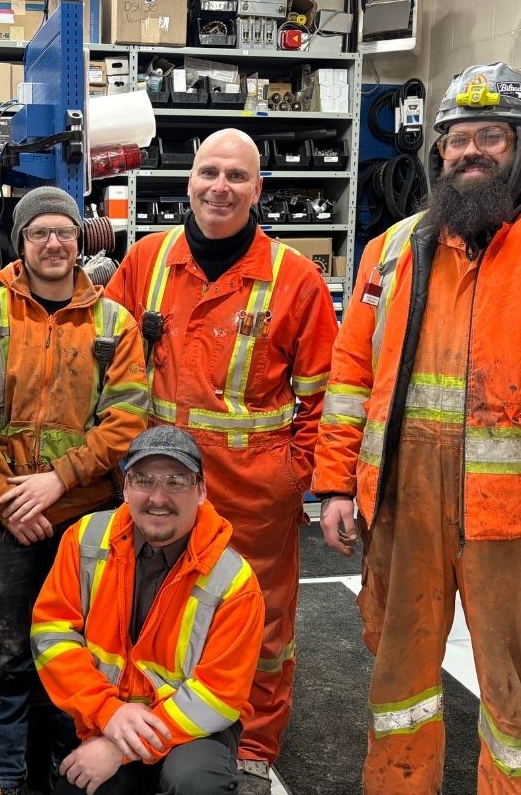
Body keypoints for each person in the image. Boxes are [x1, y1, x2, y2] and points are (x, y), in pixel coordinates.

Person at [312, 62, 521, 794]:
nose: (471, 152)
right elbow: (351, 379)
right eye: (457, 139)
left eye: (492, 136)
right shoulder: (392, 251)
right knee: (398, 687)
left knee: (519, 701)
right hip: (404, 510)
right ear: (439, 152)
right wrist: (334, 485)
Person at [104, 128, 338, 792]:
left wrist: (296, 476)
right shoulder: (146, 261)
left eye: (237, 176)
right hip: (158, 483)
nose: (220, 187)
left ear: (258, 189)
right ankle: (158, 721)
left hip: (253, 489)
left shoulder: (294, 278)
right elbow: (107, 359)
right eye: (209, 172)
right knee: (154, 604)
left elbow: (326, 394)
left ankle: (253, 745)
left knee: (260, 620)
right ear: (189, 181)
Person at [0, 186, 149, 795]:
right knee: (8, 653)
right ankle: (3, 779)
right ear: (22, 243)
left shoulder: (114, 321)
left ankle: (70, 775)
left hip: (85, 515)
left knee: (82, 653)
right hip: (7, 517)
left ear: (79, 240)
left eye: (64, 231)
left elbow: (128, 417)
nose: (53, 243)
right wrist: (9, 500)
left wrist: (59, 480)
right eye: (39, 232)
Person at [30, 425, 265, 795]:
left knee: (195, 783)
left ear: (201, 491)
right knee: (78, 788)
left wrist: (119, 748)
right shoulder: (84, 539)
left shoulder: (234, 581)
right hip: (108, 714)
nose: (158, 497)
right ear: (125, 488)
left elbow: (219, 695)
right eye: (143, 480)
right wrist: (106, 712)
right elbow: (52, 634)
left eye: (176, 481)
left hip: (193, 729)